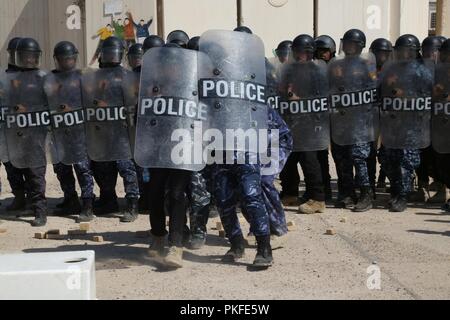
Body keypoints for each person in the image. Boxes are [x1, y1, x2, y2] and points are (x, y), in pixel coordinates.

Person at [82, 37, 140, 222]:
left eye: (113, 54)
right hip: (101, 131)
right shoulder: (94, 77)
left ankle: (132, 204)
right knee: (102, 168)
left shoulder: (126, 76)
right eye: (106, 54)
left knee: (126, 169)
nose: (110, 57)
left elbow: (134, 103)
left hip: (122, 132)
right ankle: (108, 200)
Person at [379, 34, 434, 212]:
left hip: (412, 124)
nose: (403, 54)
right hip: (392, 123)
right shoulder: (391, 68)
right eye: (400, 51)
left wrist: (406, 93)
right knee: (388, 160)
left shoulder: (422, 70)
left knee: (405, 162)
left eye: (406, 51)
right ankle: (396, 191)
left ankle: (402, 197)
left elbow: (428, 94)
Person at [44, 41, 96, 222]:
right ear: (57, 60)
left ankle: (88, 204)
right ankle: (70, 199)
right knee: (61, 168)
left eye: (70, 59)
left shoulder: (82, 78)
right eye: (63, 59)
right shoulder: (50, 78)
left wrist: (72, 107)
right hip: (58, 132)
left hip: (78, 132)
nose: (67, 62)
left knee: (82, 168)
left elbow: (92, 101)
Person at [328, 29, 378, 212]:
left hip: (359, 122)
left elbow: (373, 89)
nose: (348, 47)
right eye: (346, 43)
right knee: (342, 159)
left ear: (359, 46)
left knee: (359, 158)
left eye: (351, 44)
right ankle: (347, 193)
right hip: (341, 121)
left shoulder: (366, 64)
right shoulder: (335, 65)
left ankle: (366, 194)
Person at [279, 34, 329, 214]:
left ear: (310, 53)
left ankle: (318, 199)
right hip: (291, 120)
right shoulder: (289, 69)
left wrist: (299, 99)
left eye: (304, 52)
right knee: (288, 160)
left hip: (309, 122)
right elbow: (281, 89)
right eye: (298, 52)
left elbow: (321, 96)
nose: (300, 55)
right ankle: (290, 193)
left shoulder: (317, 71)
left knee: (309, 160)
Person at [5, 38, 49, 226]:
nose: (29, 60)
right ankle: (20, 198)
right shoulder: (8, 78)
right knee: (14, 168)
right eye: (25, 57)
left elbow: (51, 102)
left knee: (35, 172)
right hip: (13, 133)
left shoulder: (43, 78)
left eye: (32, 57)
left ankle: (40, 210)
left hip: (34, 133)